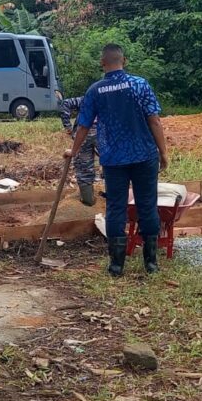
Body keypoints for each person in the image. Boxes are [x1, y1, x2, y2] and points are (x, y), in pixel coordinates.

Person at [65, 44, 168, 277]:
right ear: (125, 61)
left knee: (115, 207)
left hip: (113, 159)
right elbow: (154, 120)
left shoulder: (95, 90)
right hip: (144, 155)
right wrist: (163, 152)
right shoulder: (140, 84)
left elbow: (83, 125)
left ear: (102, 63)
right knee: (147, 204)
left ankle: (116, 266)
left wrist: (74, 151)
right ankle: (151, 263)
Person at [59, 94, 98, 206]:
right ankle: (111, 200)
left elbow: (65, 103)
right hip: (103, 135)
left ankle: (88, 200)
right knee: (111, 165)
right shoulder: (112, 97)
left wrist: (68, 127)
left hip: (82, 136)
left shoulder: (89, 97)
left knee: (83, 167)